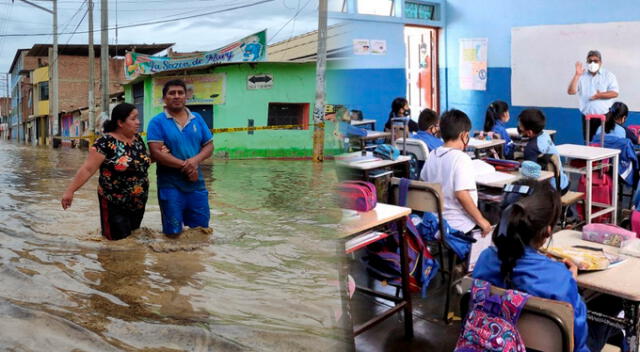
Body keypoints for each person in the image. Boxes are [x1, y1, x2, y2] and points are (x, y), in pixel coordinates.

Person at [473, 179, 624, 352]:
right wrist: (571, 282)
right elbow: (577, 339)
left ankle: (619, 338)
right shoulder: (558, 277)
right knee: (611, 303)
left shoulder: (485, 259)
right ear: (547, 232)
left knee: (614, 332)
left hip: (494, 342)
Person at [61, 103, 151, 240]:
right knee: (114, 243)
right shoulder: (104, 142)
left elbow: (139, 162)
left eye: (137, 118)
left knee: (132, 240)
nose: (138, 122)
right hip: (113, 202)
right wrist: (70, 191)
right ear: (120, 122)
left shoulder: (137, 140)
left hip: (138, 201)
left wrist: (158, 156)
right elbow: (88, 168)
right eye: (133, 119)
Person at [147, 79, 214, 236]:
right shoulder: (157, 122)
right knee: (173, 233)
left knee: (201, 231)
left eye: (180, 93)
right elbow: (156, 153)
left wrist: (194, 161)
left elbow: (209, 146)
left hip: (197, 184)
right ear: (164, 98)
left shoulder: (197, 118)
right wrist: (187, 166)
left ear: (186, 97)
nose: (176, 96)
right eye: (172, 93)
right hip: (170, 185)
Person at [419, 109, 492, 236]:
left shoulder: (432, 154)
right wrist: (482, 221)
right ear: (463, 135)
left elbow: (422, 182)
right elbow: (462, 195)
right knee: (492, 218)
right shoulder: (461, 158)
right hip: (459, 225)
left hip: (436, 223)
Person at [567, 50, 619, 142]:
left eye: (595, 61)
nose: (592, 63)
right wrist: (576, 75)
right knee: (588, 143)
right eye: (590, 61)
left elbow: (615, 93)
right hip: (587, 118)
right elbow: (571, 91)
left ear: (600, 62)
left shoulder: (608, 75)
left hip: (604, 117)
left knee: (603, 143)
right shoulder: (581, 76)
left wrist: (600, 95)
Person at [519, 108, 570, 194]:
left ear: (529, 132)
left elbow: (530, 177)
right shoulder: (545, 135)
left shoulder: (530, 147)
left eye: (520, 125)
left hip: (551, 191)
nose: (519, 127)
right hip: (563, 183)